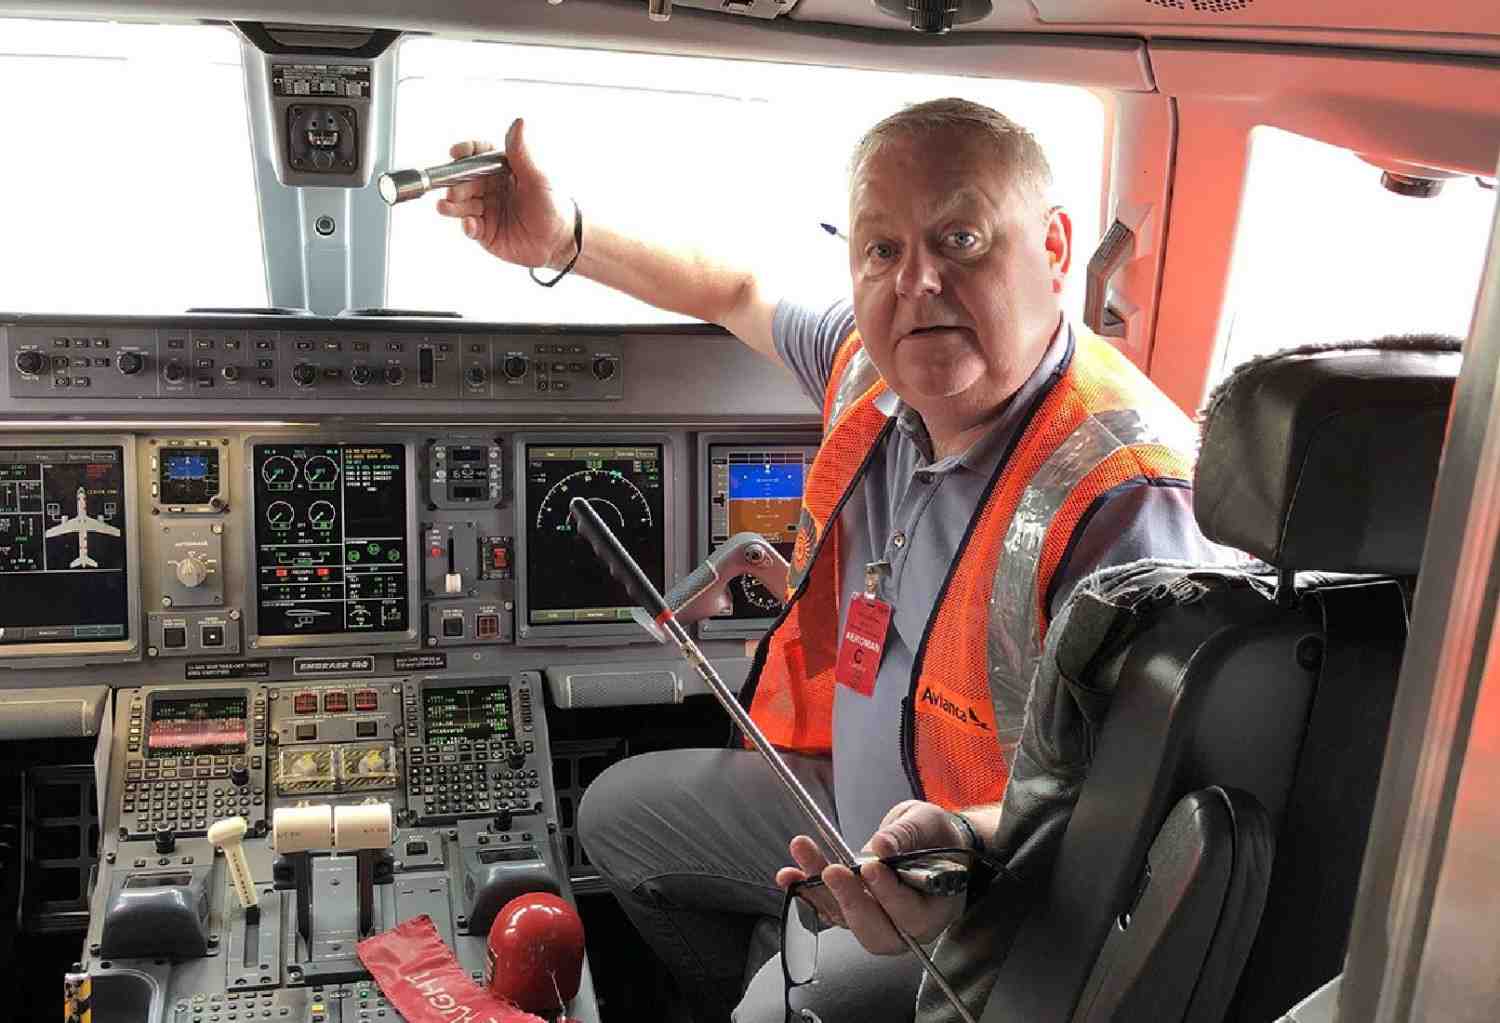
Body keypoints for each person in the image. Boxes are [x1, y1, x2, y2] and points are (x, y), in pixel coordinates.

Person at [436, 99, 1225, 1023]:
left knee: (779, 1011)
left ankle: (788, 982)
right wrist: (560, 236)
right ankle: (772, 962)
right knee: (615, 815)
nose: (917, 281)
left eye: (961, 238)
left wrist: (958, 850)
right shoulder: (873, 367)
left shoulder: (1122, 502)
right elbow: (734, 291)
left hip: (982, 896)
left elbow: (1136, 830)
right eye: (881, 250)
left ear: (1054, 247)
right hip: (842, 811)